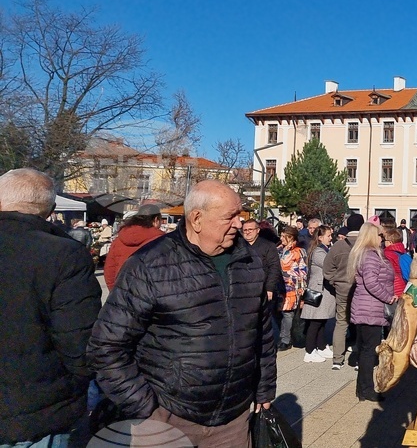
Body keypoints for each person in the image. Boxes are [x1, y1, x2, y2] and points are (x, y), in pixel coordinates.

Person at [88, 179, 276, 447]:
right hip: (167, 418)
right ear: (197, 219)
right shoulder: (150, 264)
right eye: (230, 216)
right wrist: (145, 408)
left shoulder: (249, 261)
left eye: (240, 214)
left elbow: (263, 334)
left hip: (233, 419)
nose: (239, 224)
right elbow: (106, 346)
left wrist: (265, 388)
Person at [0, 168, 102, 447]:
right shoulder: (64, 254)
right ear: (51, 210)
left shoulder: (62, 253)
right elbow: (81, 345)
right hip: (38, 414)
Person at [349, 222, 396, 402]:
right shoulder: (370, 256)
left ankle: (363, 389)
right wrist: (388, 297)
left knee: (365, 351)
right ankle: (366, 390)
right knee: (369, 352)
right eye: (380, 235)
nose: (382, 239)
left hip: (366, 308)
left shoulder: (365, 254)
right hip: (370, 309)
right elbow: (371, 282)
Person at [324, 213, 364, 370]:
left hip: (342, 287)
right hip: (362, 288)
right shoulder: (366, 245)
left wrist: (335, 281)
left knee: (341, 322)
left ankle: (337, 359)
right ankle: (360, 359)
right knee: (361, 323)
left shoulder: (338, 246)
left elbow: (327, 269)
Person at [242, 218, 283, 348]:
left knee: (263, 320)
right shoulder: (239, 246)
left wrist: (270, 288)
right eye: (245, 230)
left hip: (263, 288)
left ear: (257, 230)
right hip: (244, 290)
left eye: (250, 230)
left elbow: (274, 268)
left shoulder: (268, 246)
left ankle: (265, 345)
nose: (247, 233)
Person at [102, 203, 165, 289]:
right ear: (156, 220)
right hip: (151, 292)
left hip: (122, 290)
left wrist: (114, 292)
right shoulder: (162, 241)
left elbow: (109, 269)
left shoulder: (119, 240)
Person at [301, 225, 336, 362]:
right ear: (320, 237)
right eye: (328, 235)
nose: (330, 238)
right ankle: (309, 351)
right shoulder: (319, 252)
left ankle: (321, 346)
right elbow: (330, 265)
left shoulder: (323, 249)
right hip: (318, 290)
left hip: (322, 290)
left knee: (321, 320)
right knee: (315, 322)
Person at [276, 226, 308, 350]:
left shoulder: (299, 251)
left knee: (287, 313)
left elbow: (303, 270)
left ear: (291, 237)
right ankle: (285, 336)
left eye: (284, 236)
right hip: (279, 286)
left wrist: (302, 288)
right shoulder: (279, 249)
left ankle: (285, 339)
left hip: (292, 286)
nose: (281, 238)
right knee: (281, 313)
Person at [382, 226, 408, 297]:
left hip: (393, 285)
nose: (383, 242)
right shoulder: (403, 252)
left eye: (385, 240)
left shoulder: (387, 253)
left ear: (390, 242)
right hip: (403, 285)